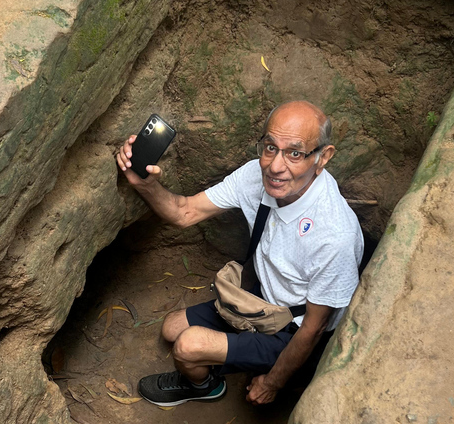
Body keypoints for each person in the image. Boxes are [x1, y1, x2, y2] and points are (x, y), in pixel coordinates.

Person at [116, 100, 364, 406]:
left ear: (323, 157)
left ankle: (205, 386)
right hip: (262, 299)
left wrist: (273, 382)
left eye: (295, 153)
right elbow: (185, 212)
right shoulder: (256, 176)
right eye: (270, 147)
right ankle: (232, 357)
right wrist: (144, 183)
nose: (275, 166)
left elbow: (314, 329)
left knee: (186, 347)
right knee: (171, 327)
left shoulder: (334, 235)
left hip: (294, 327)